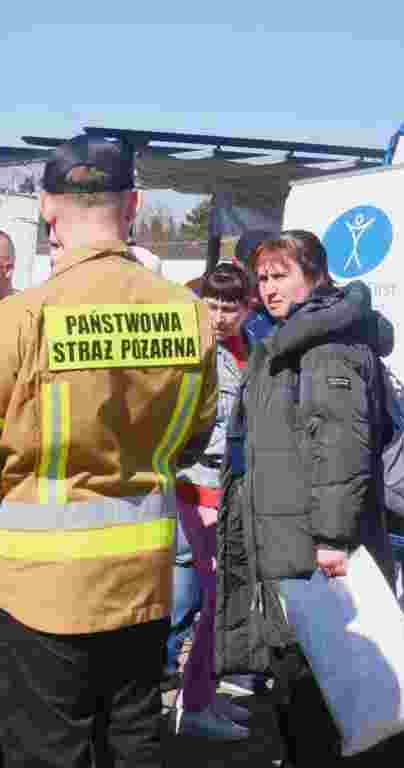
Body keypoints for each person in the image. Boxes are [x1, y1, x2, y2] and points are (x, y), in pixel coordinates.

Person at [0, 135, 218, 768]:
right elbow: (193, 440)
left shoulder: (19, 318)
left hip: (41, 592)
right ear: (134, 205)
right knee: (132, 745)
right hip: (143, 583)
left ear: (46, 208)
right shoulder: (189, 314)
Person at [214, 230, 404, 767]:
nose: (269, 288)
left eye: (281, 276)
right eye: (263, 278)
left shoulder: (325, 345)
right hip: (286, 537)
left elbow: (341, 445)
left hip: (313, 549)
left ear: (316, 275)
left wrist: (331, 538)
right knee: (297, 680)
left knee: (319, 684)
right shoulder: (290, 338)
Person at [172, 263, 255, 741]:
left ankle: (202, 692)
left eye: (230, 307)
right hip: (194, 491)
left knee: (221, 600)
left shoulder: (252, 352)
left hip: (231, 492)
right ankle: (195, 703)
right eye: (212, 304)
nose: (220, 316)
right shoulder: (194, 353)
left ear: (247, 309)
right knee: (210, 600)